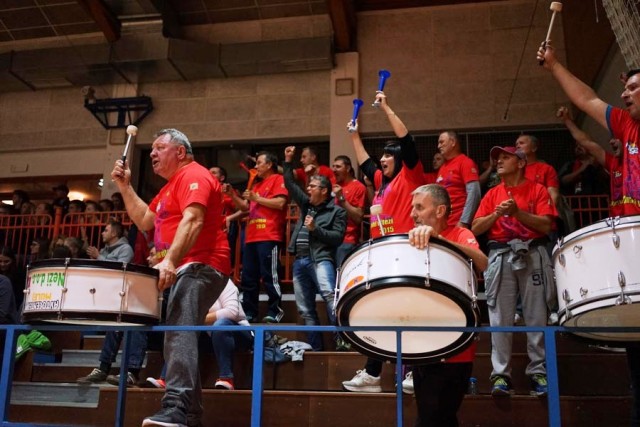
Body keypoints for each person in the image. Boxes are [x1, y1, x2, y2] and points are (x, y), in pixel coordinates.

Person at [538, 41, 640, 427]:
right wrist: (554, 65)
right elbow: (587, 98)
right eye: (625, 88)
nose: (624, 93)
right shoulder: (626, 125)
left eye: (633, 88)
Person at [110, 128, 230, 427]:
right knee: (180, 328)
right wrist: (125, 186)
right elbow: (145, 220)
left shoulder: (194, 175)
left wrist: (171, 261)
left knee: (178, 328)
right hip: (185, 267)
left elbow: (194, 220)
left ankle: (176, 406)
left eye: (160, 147)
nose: (152, 153)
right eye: (151, 149)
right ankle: (190, 415)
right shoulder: (168, 188)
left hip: (201, 264)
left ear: (180, 152)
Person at [343, 90, 425, 391]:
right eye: (383, 156)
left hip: (406, 250)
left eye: (388, 156)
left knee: (410, 310)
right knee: (380, 311)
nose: (382, 160)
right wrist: (354, 136)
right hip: (380, 253)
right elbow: (365, 163)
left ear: (399, 160)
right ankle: (373, 374)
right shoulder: (381, 182)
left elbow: (407, 141)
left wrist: (387, 107)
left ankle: (415, 372)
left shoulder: (411, 176)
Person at [472, 146, 557, 397]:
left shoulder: (537, 189)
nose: (498, 161)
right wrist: (497, 214)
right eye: (497, 158)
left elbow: (546, 224)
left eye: (505, 157)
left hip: (533, 253)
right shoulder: (492, 194)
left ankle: (539, 372)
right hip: (500, 255)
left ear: (520, 163)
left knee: (536, 314)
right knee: (500, 316)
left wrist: (517, 213)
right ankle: (500, 375)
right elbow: (476, 227)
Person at [407, 184, 488, 427]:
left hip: (456, 346)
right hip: (421, 343)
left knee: (433, 417)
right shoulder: (411, 238)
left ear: (440, 210)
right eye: (413, 208)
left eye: (419, 207)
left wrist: (440, 241)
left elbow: (483, 262)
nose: (413, 214)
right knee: (436, 417)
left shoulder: (460, 234)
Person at [283, 146, 346, 351]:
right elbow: (290, 185)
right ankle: (315, 348)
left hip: (321, 259)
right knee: (304, 309)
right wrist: (287, 161)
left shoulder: (337, 212)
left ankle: (342, 342)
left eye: (313, 186)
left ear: (324, 190)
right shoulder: (306, 205)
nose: (308, 188)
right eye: (308, 186)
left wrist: (315, 229)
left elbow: (337, 238)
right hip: (300, 260)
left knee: (330, 297)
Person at [76, 219, 147, 387]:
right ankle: (103, 368)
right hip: (109, 299)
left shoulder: (125, 249)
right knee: (115, 325)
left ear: (114, 233)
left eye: (105, 230)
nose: (102, 233)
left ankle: (131, 372)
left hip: (127, 298)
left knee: (134, 325)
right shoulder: (104, 250)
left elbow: (120, 269)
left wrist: (99, 257)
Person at [234, 151, 288, 324]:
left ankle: (275, 312)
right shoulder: (256, 185)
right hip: (251, 237)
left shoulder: (279, 179)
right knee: (248, 277)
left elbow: (280, 203)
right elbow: (245, 207)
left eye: (258, 163)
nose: (255, 166)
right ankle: (250, 312)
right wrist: (231, 195)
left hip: (269, 235)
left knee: (270, 276)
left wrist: (257, 198)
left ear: (269, 165)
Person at [557, 106, 624, 216]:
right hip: (617, 220)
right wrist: (567, 121)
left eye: (616, 138)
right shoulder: (612, 162)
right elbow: (586, 141)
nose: (611, 142)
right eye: (611, 138)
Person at [206, 280, 253, 391]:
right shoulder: (190, 286)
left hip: (239, 333)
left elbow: (231, 312)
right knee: (181, 332)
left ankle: (226, 378)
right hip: (209, 336)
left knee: (220, 324)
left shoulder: (224, 282)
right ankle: (166, 378)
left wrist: (197, 319)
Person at [435, 131, 481, 228]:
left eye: (442, 142)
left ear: (452, 142)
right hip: (443, 224)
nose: (439, 146)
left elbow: (474, 193)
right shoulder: (443, 167)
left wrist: (464, 221)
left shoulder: (465, 162)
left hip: (458, 223)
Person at [331, 155, 366, 267]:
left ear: (348, 168)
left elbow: (358, 217)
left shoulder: (358, 187)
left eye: (338, 167)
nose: (334, 169)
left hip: (345, 241)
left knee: (341, 279)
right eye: (333, 166)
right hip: (327, 240)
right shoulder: (332, 184)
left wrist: (341, 198)